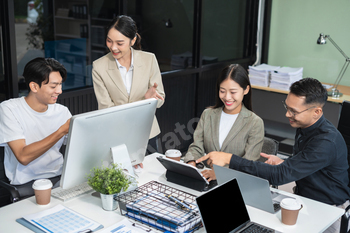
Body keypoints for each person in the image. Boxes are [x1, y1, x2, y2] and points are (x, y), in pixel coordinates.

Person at [197, 78, 350, 233]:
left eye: (294, 111)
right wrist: (285, 162)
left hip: (329, 210)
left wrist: (229, 158)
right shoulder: (306, 127)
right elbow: (308, 160)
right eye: (287, 107)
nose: (287, 114)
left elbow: (279, 176)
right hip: (304, 200)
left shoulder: (326, 141)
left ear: (316, 112)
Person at [92, 15, 165, 161]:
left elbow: (160, 99)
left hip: (147, 132)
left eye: (120, 43)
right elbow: (106, 109)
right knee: (122, 180)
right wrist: (143, 102)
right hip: (116, 135)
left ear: (132, 40)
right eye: (109, 41)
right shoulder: (99, 67)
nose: (113, 47)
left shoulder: (149, 60)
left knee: (152, 176)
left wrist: (150, 100)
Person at [0, 57, 72, 197]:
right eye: (53, 86)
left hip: (59, 178)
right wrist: (61, 131)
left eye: (60, 85)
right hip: (25, 183)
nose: (59, 91)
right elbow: (23, 156)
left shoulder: (62, 111)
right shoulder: (9, 109)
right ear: (34, 86)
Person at [184, 64, 264, 181]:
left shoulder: (254, 123)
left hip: (235, 183)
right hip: (205, 179)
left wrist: (219, 174)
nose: (227, 97)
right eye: (222, 91)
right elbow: (197, 147)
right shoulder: (208, 114)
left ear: (246, 90)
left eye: (233, 92)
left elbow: (248, 164)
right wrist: (191, 163)